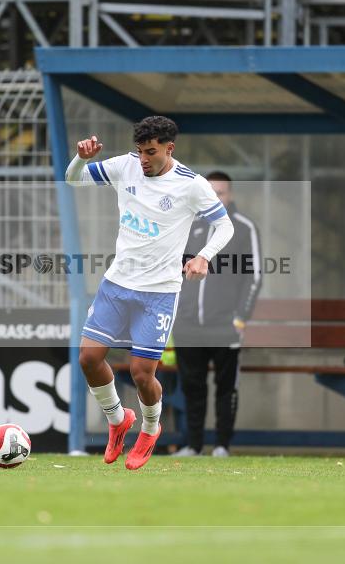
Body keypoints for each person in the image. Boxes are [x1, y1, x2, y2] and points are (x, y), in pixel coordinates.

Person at [66, 116, 235, 470]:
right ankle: (118, 421)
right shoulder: (125, 166)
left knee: (142, 373)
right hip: (117, 284)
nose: (143, 158)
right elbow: (73, 179)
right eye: (140, 150)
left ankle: (149, 428)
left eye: (151, 152)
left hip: (158, 293)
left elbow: (224, 225)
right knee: (88, 358)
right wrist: (81, 158)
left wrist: (204, 256)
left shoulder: (191, 184)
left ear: (168, 149)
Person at [172, 171, 262, 458]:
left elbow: (254, 276)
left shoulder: (244, 228)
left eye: (220, 193)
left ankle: (222, 445)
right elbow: (173, 270)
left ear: (230, 195)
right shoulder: (189, 226)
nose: (215, 198)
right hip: (188, 326)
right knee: (192, 387)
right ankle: (193, 446)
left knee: (226, 388)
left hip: (225, 326)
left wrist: (240, 318)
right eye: (210, 193)